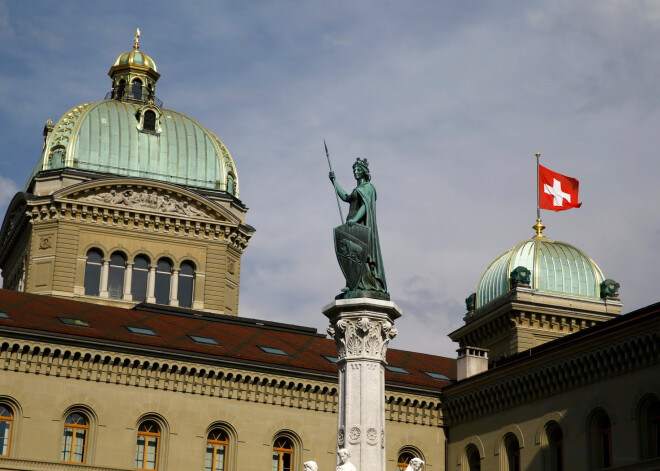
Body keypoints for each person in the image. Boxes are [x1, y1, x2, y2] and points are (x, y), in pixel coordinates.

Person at [329, 158, 387, 294]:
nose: (355, 172)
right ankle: (352, 283)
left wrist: (355, 220)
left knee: (362, 255)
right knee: (351, 256)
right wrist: (334, 182)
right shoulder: (357, 189)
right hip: (352, 224)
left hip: (361, 224)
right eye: (354, 169)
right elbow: (345, 197)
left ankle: (366, 283)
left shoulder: (368, 188)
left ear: (364, 172)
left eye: (358, 169)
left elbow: (365, 207)